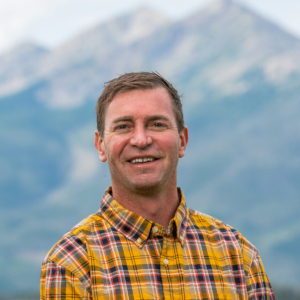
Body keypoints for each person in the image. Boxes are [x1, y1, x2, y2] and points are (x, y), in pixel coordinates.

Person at [40, 72, 275, 299]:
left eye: (157, 124)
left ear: (182, 141)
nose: (141, 140)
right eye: (123, 126)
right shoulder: (71, 262)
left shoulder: (238, 255)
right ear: (100, 145)